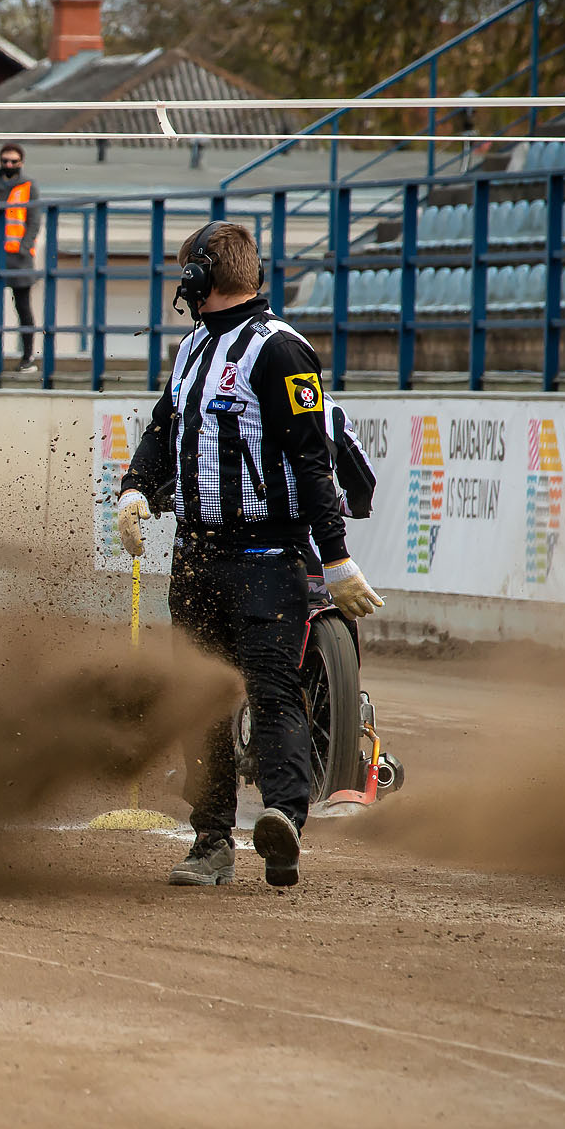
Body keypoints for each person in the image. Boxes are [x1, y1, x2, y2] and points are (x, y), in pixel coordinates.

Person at [112, 221, 382, 889]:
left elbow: (314, 465)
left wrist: (338, 558)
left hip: (268, 558)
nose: (182, 285)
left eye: (187, 273)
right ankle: (210, 840)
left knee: (272, 693)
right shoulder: (191, 348)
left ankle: (285, 819)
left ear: (205, 277)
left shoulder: (280, 350)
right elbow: (162, 428)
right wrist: (135, 489)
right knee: (199, 701)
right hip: (197, 558)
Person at [0, 143, 39, 363]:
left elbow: (33, 221)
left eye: (13, 161)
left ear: (21, 163)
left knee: (23, 309)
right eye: (5, 161)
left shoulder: (29, 187)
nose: (9, 165)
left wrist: (24, 247)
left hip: (19, 257)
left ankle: (27, 357)